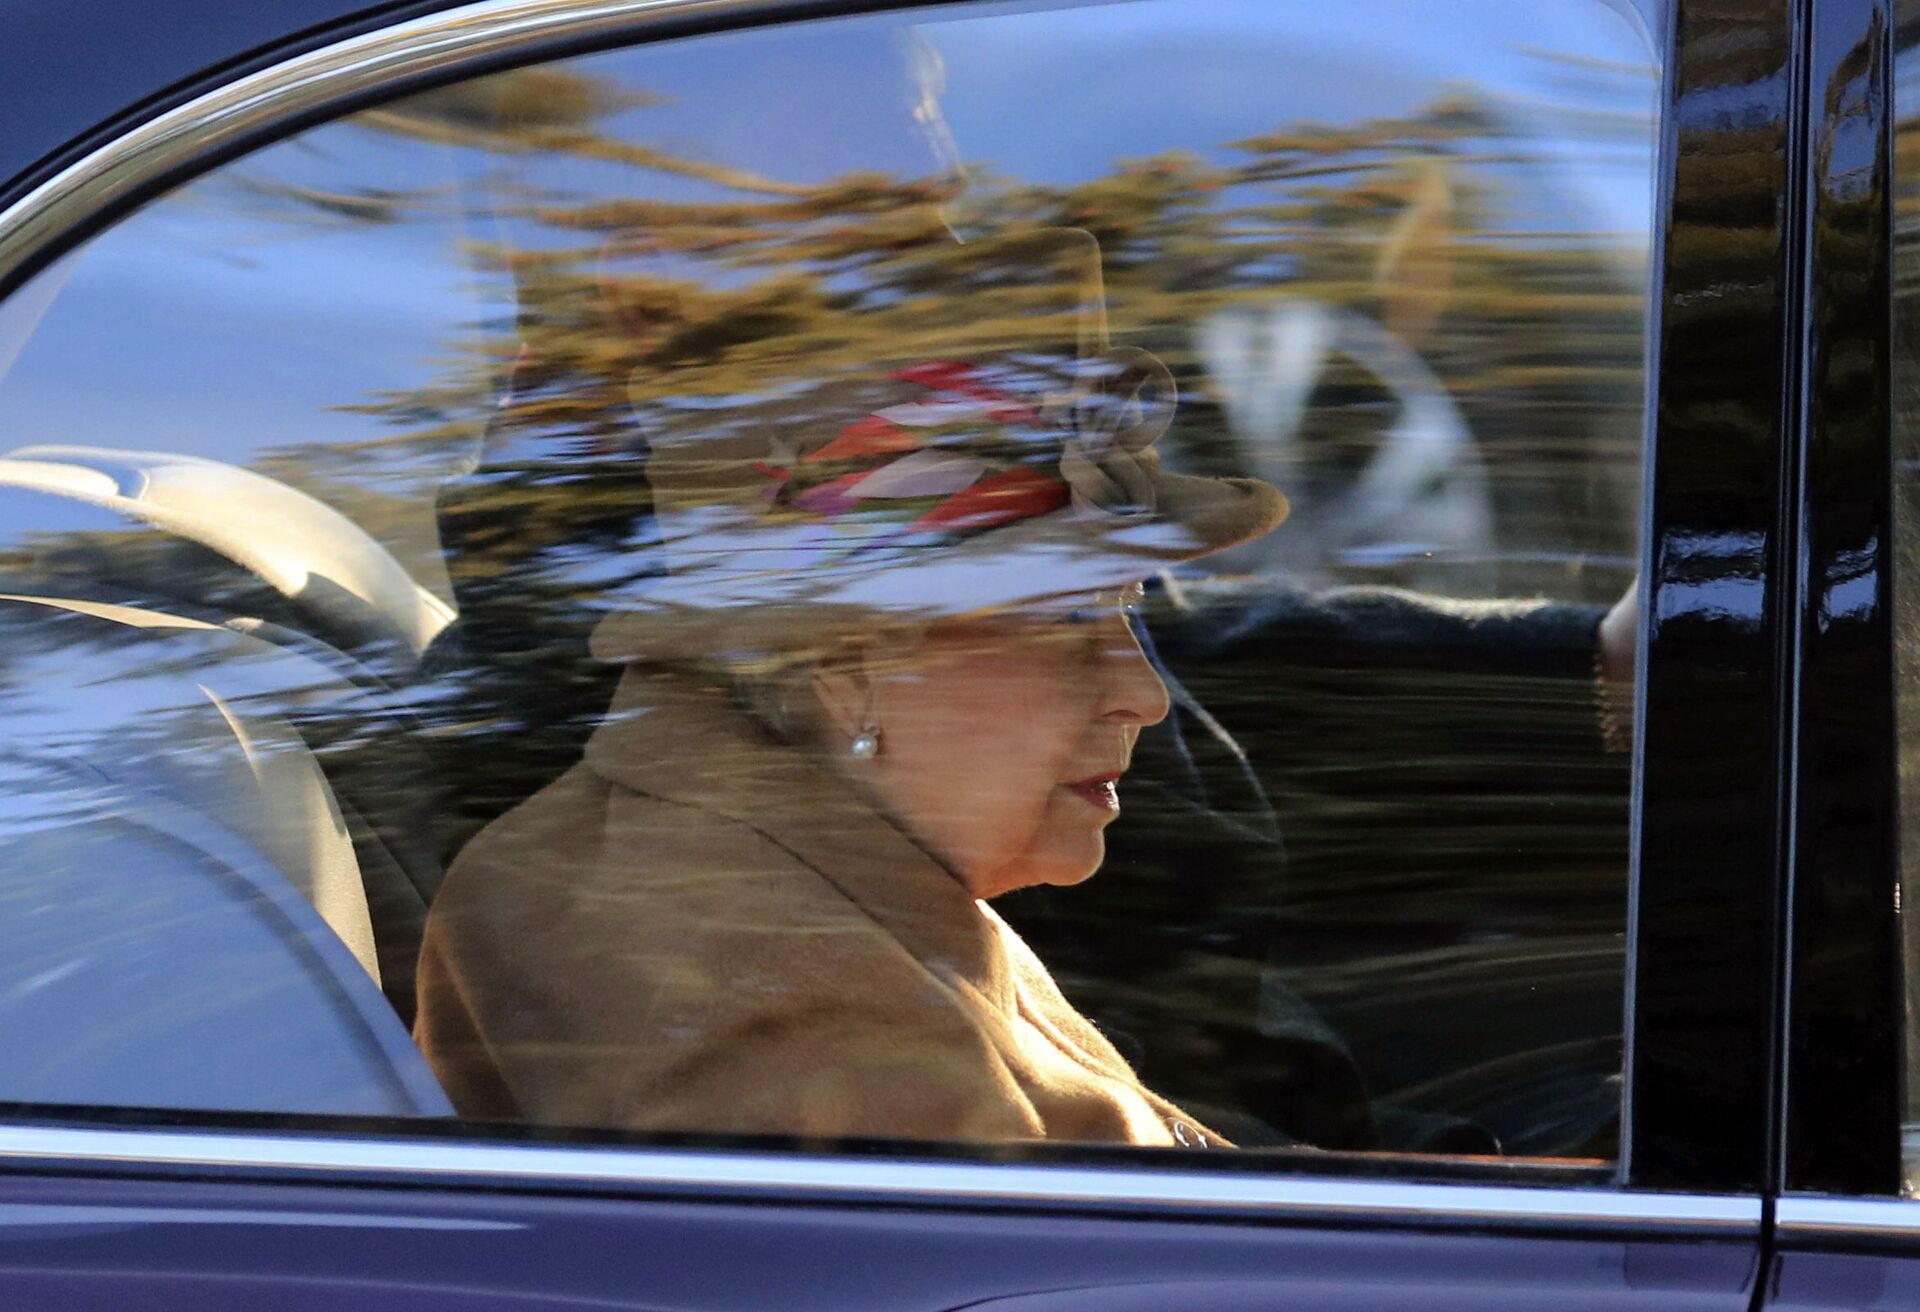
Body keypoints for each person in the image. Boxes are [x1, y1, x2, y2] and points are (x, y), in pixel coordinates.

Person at [413, 298, 1293, 1146]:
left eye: (1128, 607)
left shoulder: (828, 874)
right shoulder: (753, 984)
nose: (1144, 695)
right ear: (843, 668)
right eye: (1067, 619)